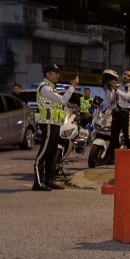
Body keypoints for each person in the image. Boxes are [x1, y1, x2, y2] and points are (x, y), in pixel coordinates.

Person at [33, 63, 78, 191]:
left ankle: (49, 180)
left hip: (55, 124)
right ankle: (38, 182)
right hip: (47, 123)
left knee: (53, 153)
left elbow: (60, 105)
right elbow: (62, 100)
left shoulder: (52, 87)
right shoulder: (45, 87)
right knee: (44, 153)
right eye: (56, 73)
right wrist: (72, 87)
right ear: (48, 74)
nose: (58, 75)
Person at [106, 69, 130, 151]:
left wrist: (116, 90)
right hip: (116, 113)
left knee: (127, 135)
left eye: (128, 76)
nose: (125, 76)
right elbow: (110, 100)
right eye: (125, 74)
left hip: (126, 113)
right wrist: (109, 89)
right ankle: (114, 156)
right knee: (114, 136)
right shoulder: (117, 86)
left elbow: (127, 97)